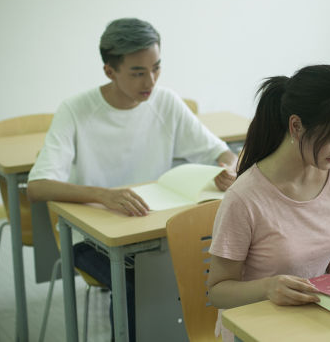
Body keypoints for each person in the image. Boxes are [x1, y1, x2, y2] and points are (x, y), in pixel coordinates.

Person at [27, 17, 237, 341]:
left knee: (229, 262)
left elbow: (221, 152)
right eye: (138, 72)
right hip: (89, 237)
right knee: (137, 282)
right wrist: (105, 195)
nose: (150, 80)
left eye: (156, 67)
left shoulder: (164, 101)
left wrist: (230, 168)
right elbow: (38, 187)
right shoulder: (76, 110)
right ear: (109, 71)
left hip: (157, 226)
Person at [207, 65, 330, 341]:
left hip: (317, 319)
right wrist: (269, 287)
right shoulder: (244, 198)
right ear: (296, 125)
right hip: (257, 328)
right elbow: (218, 290)